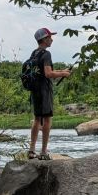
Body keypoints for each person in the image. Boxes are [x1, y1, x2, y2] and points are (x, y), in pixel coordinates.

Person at [27, 27, 70, 160]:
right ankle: (44, 152)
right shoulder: (46, 54)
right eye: (50, 37)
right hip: (44, 91)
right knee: (47, 120)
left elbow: (45, 71)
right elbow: (48, 73)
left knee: (37, 119)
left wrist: (61, 71)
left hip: (35, 90)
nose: (51, 40)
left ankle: (31, 151)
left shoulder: (34, 53)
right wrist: (63, 74)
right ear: (44, 39)